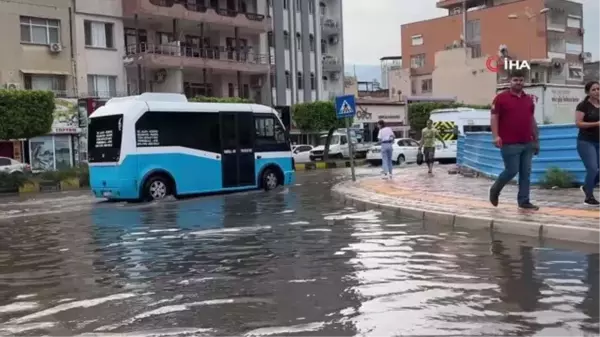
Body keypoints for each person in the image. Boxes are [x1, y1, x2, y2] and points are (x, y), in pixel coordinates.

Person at [489, 69, 539, 210]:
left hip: (527, 142)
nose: (518, 82)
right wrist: (495, 136)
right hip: (509, 143)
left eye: (521, 80)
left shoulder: (529, 99)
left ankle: (524, 201)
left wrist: (536, 139)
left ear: (524, 82)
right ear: (510, 81)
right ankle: (495, 190)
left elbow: (531, 120)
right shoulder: (500, 98)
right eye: (515, 80)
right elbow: (494, 117)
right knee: (511, 171)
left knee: (526, 173)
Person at [575, 81, 600, 205]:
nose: (596, 92)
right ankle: (589, 197)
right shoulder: (583, 106)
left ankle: (587, 186)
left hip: (599, 141)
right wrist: (596, 124)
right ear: (588, 92)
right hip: (586, 141)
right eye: (593, 89)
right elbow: (578, 123)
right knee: (593, 168)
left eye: (598, 89)